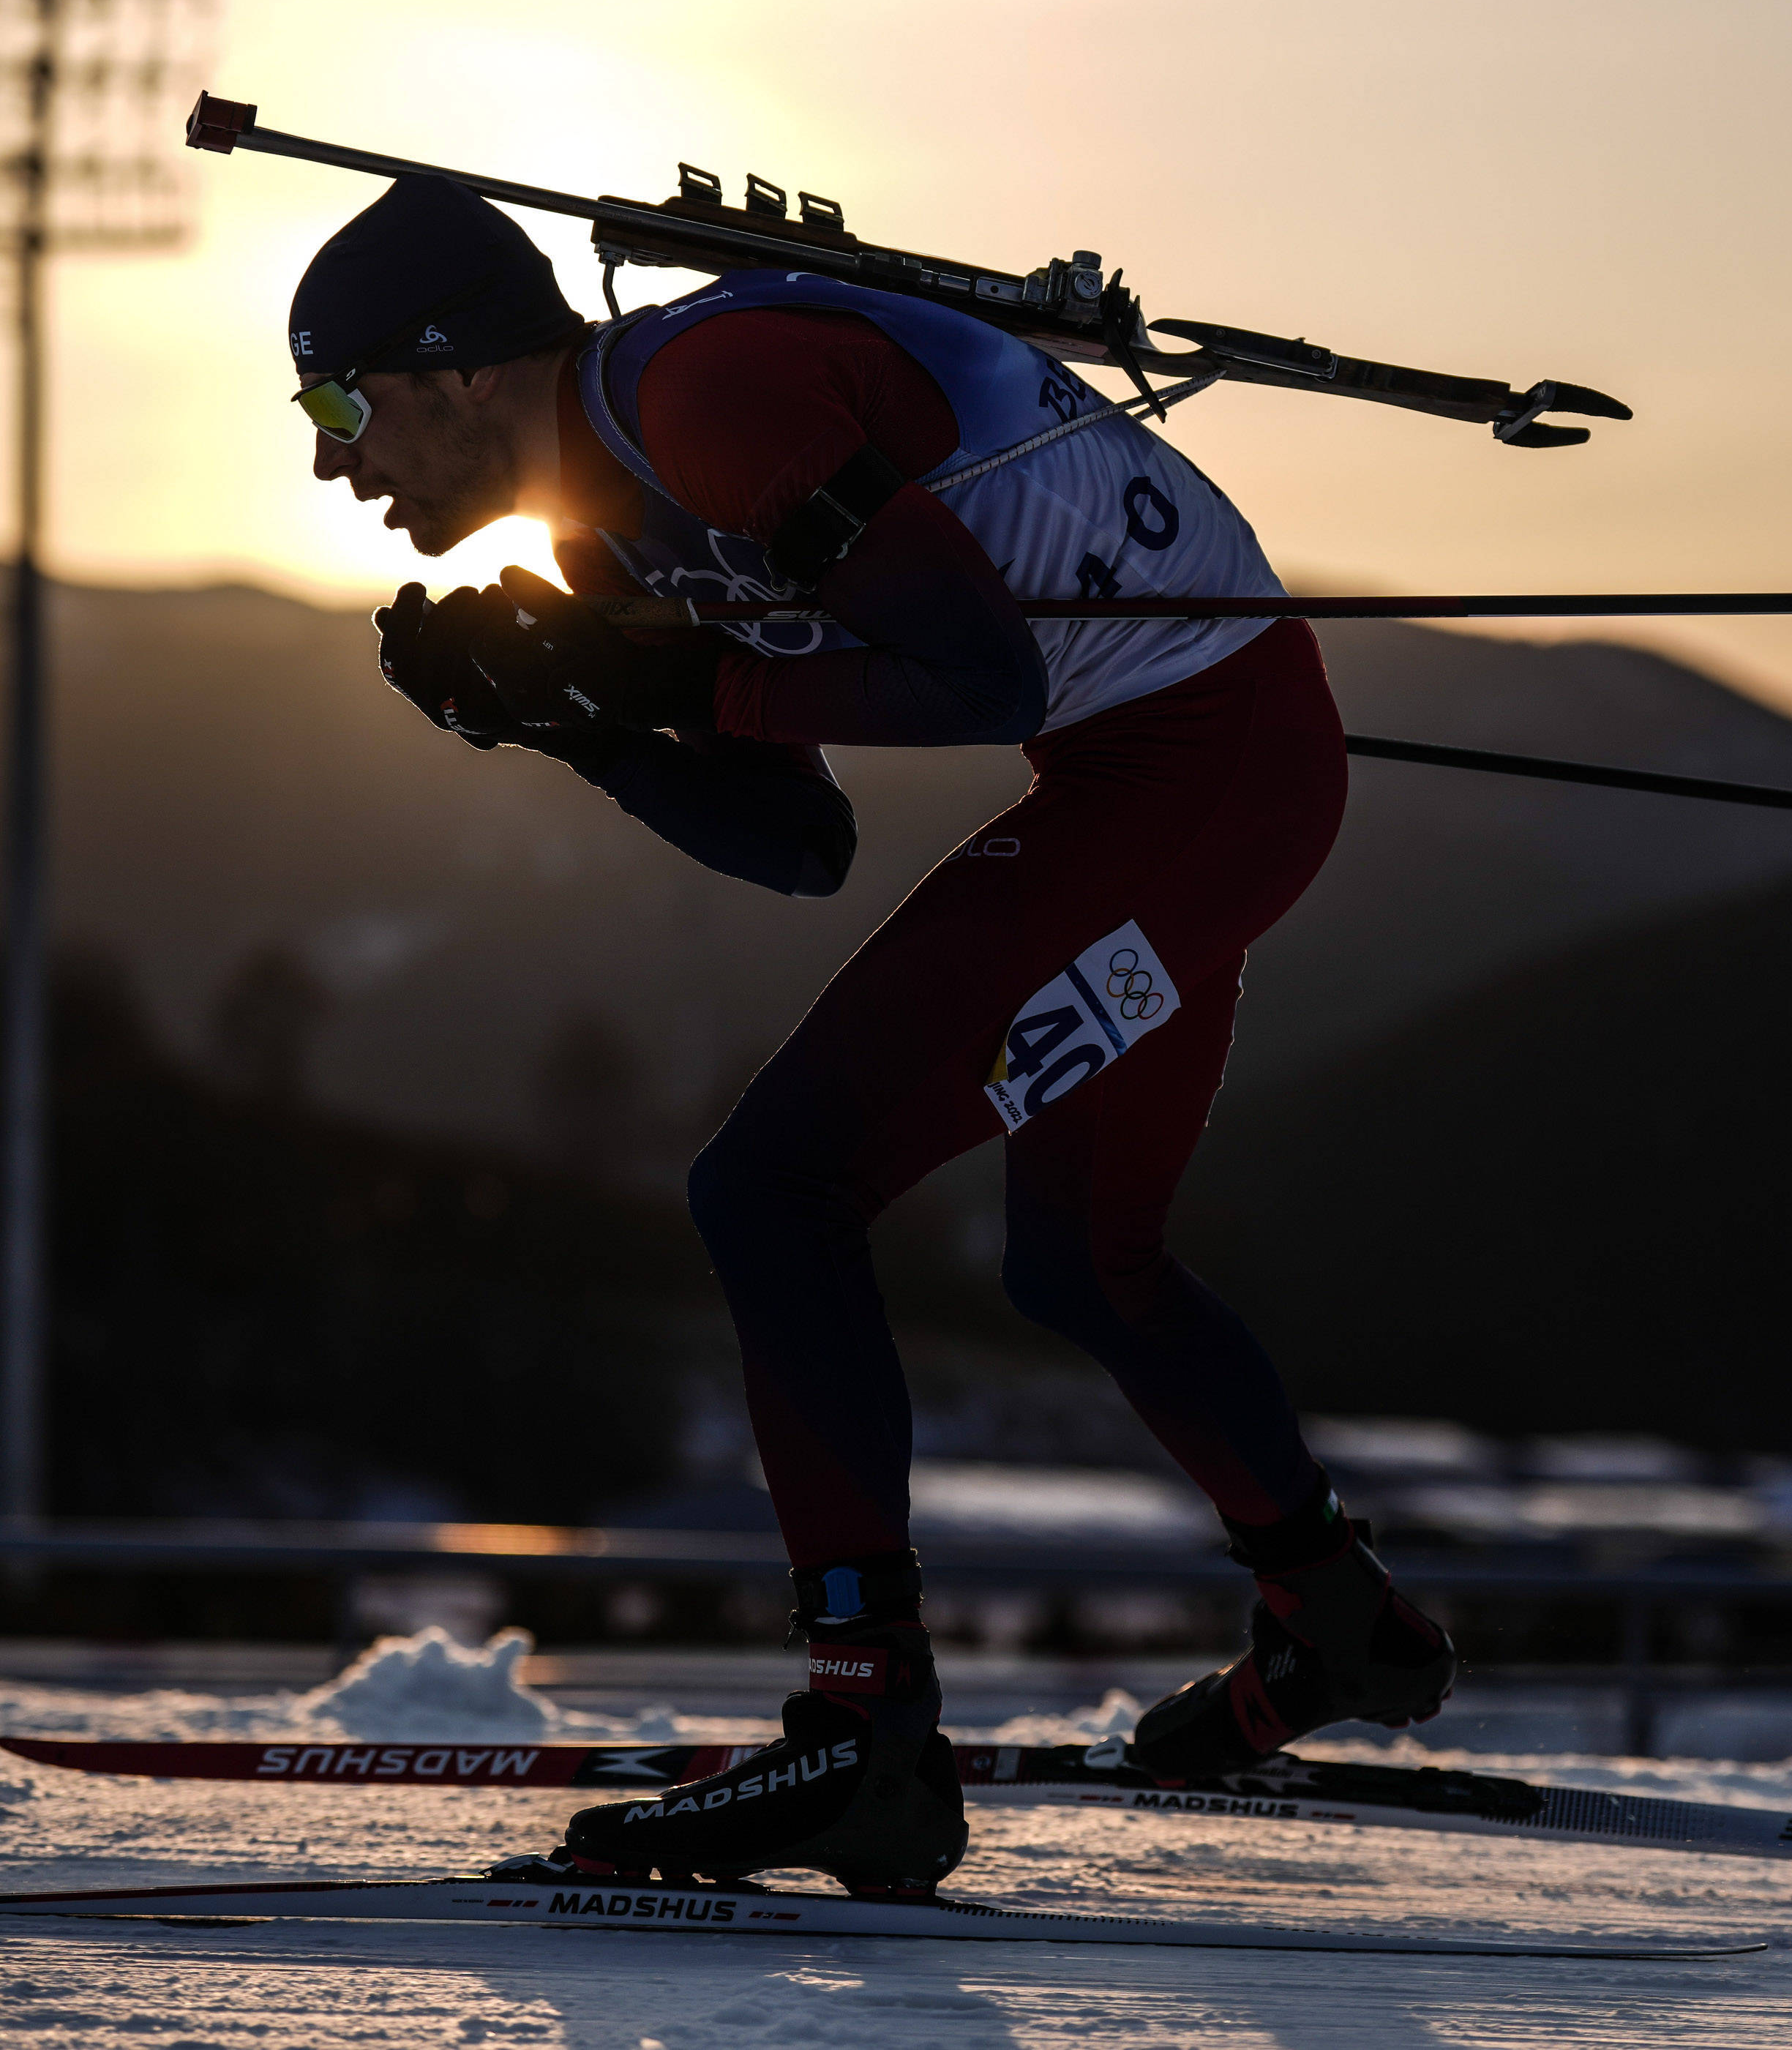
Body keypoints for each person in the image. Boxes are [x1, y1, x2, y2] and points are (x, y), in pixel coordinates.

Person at [286, 176, 1454, 1899]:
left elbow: (975, 675)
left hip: (1197, 773)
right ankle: (1334, 1611)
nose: (329, 462)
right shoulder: (607, 523)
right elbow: (798, 844)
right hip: (1190, 774)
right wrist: (571, 721)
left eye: (337, 406)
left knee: (774, 1192)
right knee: (1078, 1261)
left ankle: (864, 1732)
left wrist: (661, 687)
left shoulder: (710, 395)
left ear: (453, 368)